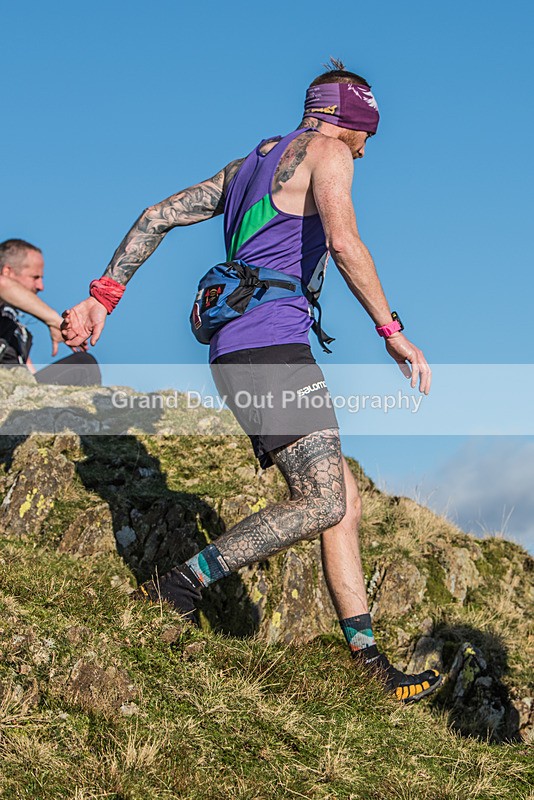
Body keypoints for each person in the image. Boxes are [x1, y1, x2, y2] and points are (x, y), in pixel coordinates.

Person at [61, 60, 440, 702]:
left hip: (246, 348)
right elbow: (345, 244)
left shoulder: (251, 165)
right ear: (354, 119)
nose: (368, 147)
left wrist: (105, 295)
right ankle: (182, 583)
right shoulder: (329, 152)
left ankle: (366, 660)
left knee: (338, 495)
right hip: (271, 347)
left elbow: (158, 214)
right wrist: (391, 331)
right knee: (322, 499)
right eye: (368, 134)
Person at [0, 239, 101, 385]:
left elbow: (30, 380)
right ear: (7, 271)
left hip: (13, 394)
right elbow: (3, 285)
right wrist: (55, 321)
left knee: (83, 365)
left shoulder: (17, 332)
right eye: (35, 277)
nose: (41, 286)